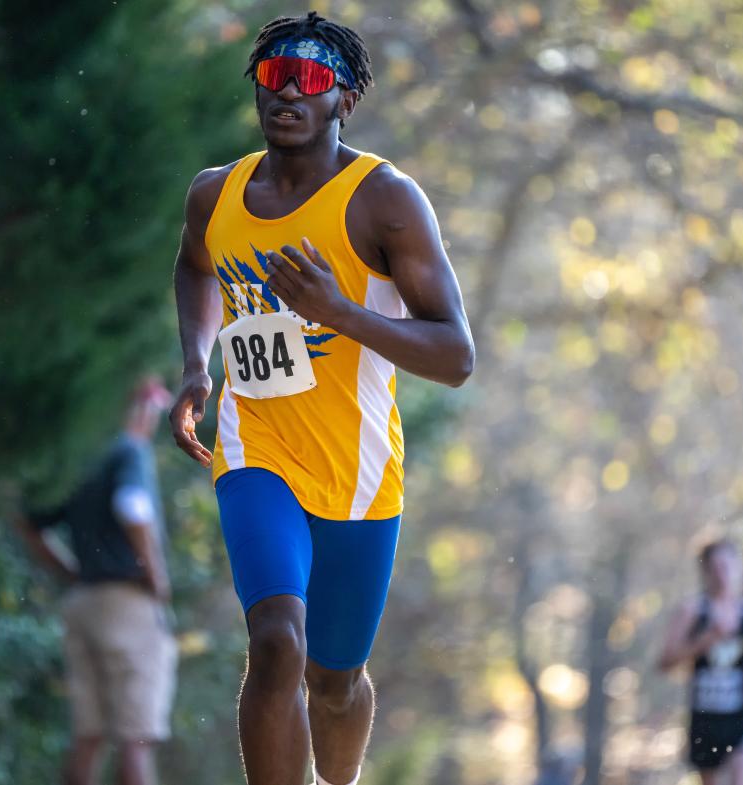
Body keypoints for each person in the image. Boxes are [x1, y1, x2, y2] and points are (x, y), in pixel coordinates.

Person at [168, 11, 474, 785]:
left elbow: (457, 355)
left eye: (310, 79)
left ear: (345, 97)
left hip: (361, 472)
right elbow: (196, 265)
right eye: (274, 76)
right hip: (255, 448)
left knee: (334, 682)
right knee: (276, 639)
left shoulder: (385, 202)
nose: (288, 94)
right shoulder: (216, 194)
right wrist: (197, 365)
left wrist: (342, 312)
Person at [18, 377, 177, 785]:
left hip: (84, 602)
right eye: (153, 410)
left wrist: (71, 573)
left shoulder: (82, 461)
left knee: (89, 737)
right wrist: (155, 576)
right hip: (128, 604)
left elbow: (28, 524)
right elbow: (132, 507)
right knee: (135, 739)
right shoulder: (130, 452)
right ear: (139, 409)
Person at [658, 538, 743, 785]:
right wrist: (706, 640)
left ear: (740, 567)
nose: (724, 574)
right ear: (706, 571)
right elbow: (665, 662)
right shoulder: (693, 610)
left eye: (729, 565)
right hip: (706, 720)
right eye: (717, 567)